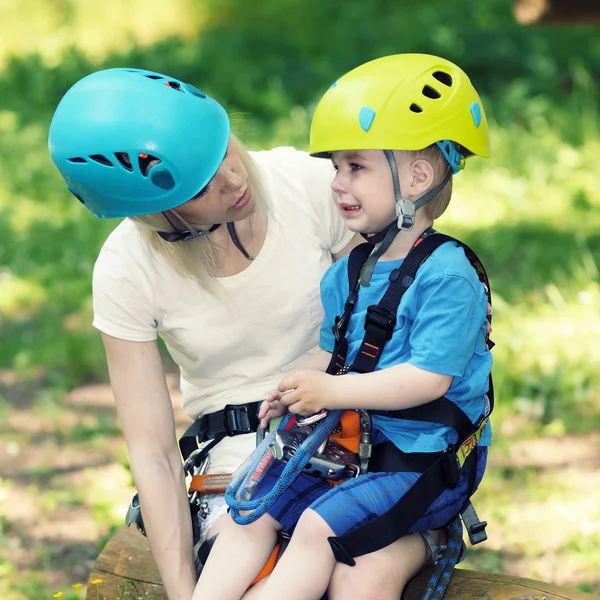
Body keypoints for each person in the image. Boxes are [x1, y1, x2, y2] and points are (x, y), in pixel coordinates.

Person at [47, 67, 459, 600]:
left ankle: (421, 536)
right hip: (240, 463)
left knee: (357, 577)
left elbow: (390, 320)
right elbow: (154, 456)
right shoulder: (127, 269)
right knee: (254, 574)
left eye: (222, 150)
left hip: (366, 435)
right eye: (202, 186)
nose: (234, 179)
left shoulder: (310, 188)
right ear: (153, 217)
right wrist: (184, 591)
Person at [194, 53, 493, 600]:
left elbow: (427, 380)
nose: (337, 183)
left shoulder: (449, 277)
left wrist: (330, 390)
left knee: (315, 529)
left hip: (421, 464)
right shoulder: (348, 274)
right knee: (250, 511)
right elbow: (333, 354)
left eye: (356, 167)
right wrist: (294, 384)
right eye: (335, 167)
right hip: (353, 454)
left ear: (418, 177)